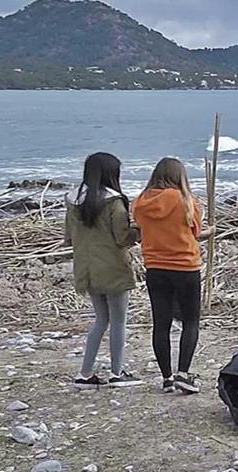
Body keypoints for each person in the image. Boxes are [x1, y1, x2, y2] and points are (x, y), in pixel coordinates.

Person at [134, 158, 213, 394]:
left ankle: (167, 377)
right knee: (191, 321)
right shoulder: (187, 201)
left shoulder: (140, 202)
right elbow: (195, 233)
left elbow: (141, 230)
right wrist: (211, 232)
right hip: (185, 267)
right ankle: (183, 374)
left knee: (161, 323)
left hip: (156, 267)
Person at [65, 152, 143, 388]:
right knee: (119, 321)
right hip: (112, 269)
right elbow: (122, 237)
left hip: (86, 269)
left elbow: (68, 238)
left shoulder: (73, 200)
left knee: (100, 320)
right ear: (111, 174)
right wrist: (140, 231)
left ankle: (85, 373)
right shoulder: (114, 201)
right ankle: (117, 373)